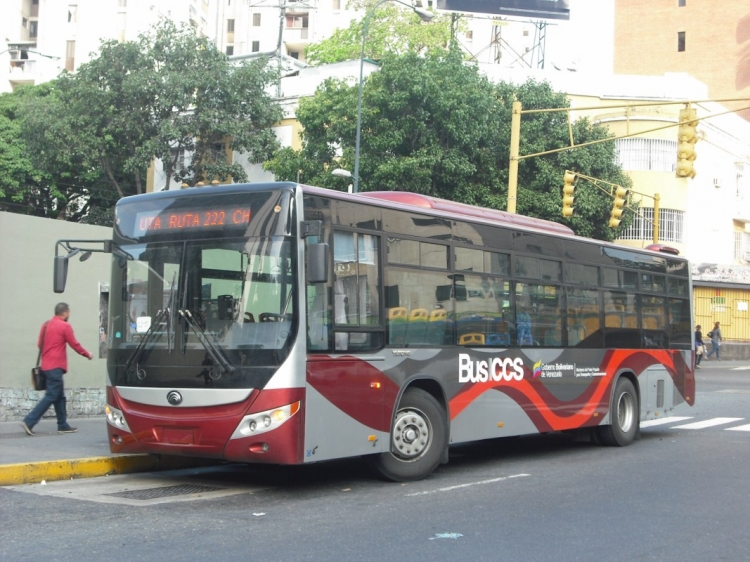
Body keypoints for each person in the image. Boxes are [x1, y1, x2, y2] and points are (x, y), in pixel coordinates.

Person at [21, 303, 92, 436]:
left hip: (45, 366)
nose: (69, 315)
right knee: (51, 396)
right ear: (65, 313)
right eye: (68, 312)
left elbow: (39, 344)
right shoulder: (65, 326)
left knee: (59, 397)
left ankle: (62, 425)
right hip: (56, 367)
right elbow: (74, 344)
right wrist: (87, 354)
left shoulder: (46, 324)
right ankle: (29, 421)